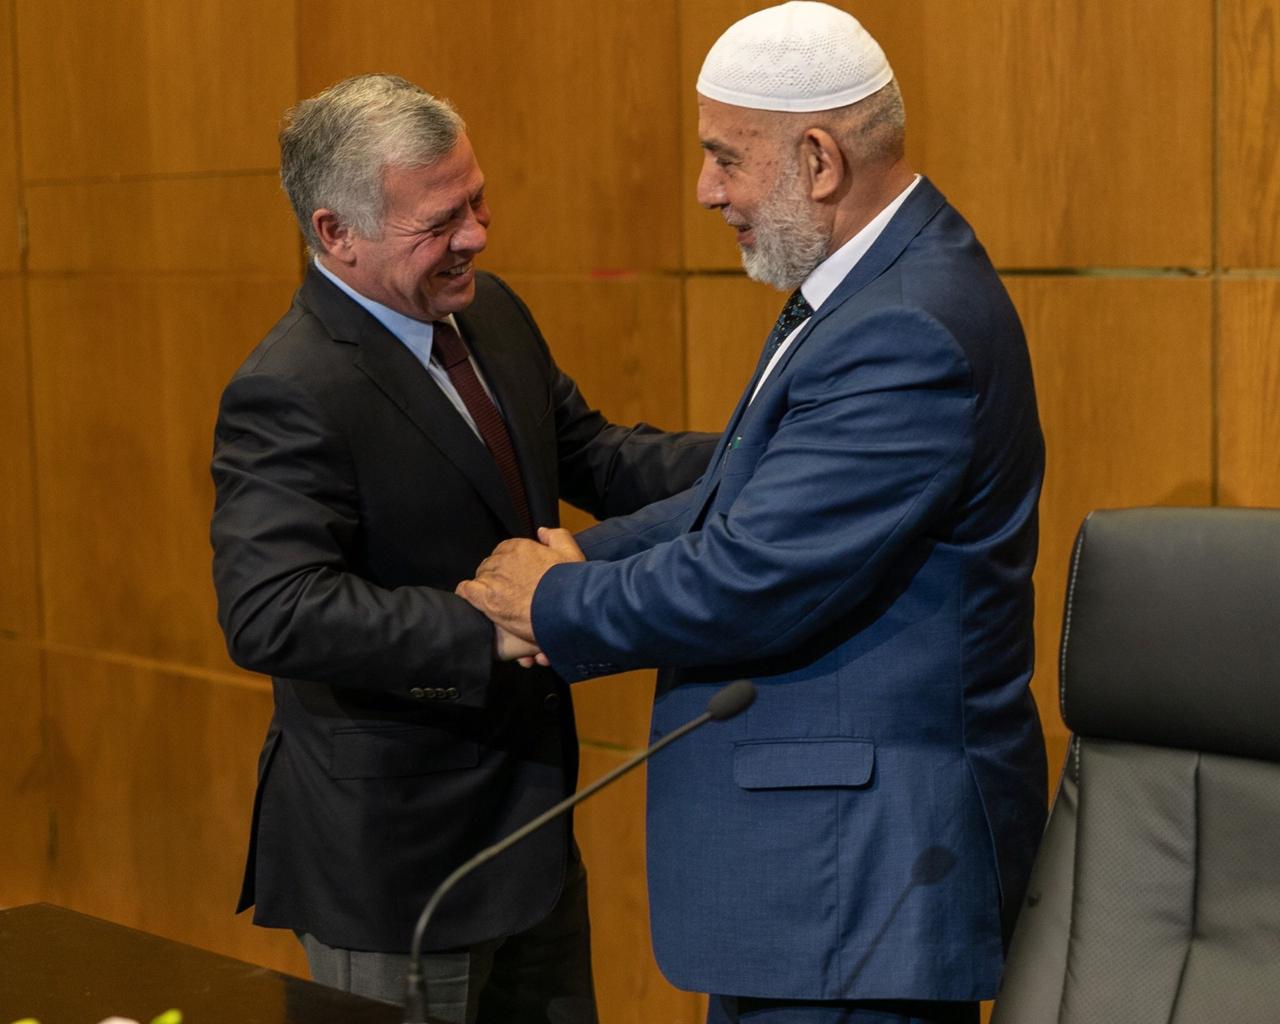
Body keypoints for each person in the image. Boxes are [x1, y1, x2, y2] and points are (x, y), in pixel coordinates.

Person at [457, 4, 1047, 1023]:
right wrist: (582, 555)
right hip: (820, 889)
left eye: (724, 157)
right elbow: (742, 498)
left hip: (857, 886)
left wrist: (557, 600)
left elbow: (755, 574)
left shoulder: (905, 324)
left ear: (817, 159)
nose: (706, 189)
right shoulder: (872, 283)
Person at [209, 73, 715, 1022]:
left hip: (531, 833)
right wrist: (493, 625)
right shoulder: (290, 388)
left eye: (477, 200)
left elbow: (595, 455)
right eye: (441, 221)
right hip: (399, 865)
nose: (476, 235)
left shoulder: (490, 313)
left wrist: (767, 449)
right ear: (337, 233)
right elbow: (272, 610)